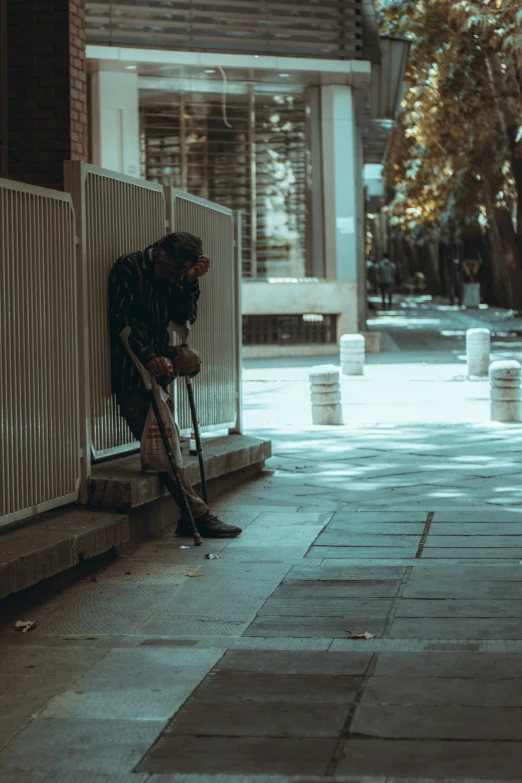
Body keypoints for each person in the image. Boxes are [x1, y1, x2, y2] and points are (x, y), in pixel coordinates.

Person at [108, 232, 242, 539]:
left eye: (178, 274)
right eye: (171, 272)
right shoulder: (129, 268)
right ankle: (196, 514)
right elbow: (124, 320)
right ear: (159, 254)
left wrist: (190, 282)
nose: (172, 279)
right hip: (134, 367)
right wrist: (148, 355)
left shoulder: (176, 277)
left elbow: (183, 321)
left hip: (160, 362)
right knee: (164, 444)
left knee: (169, 436)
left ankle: (192, 514)